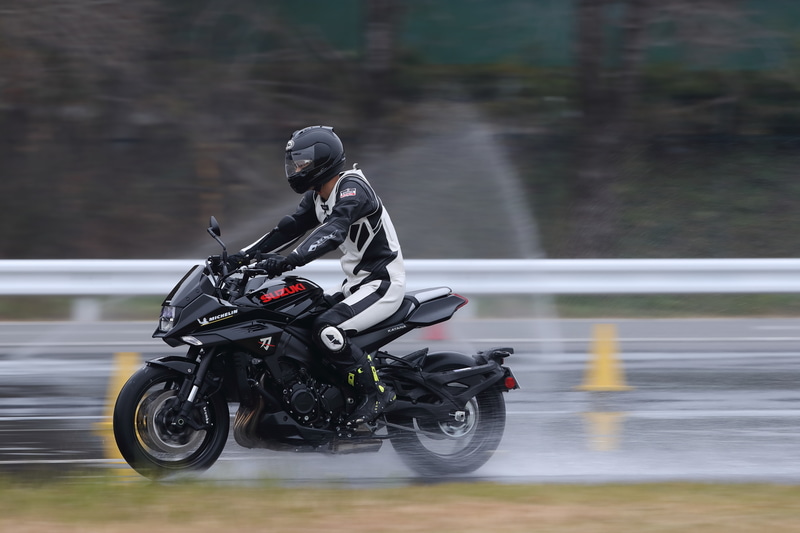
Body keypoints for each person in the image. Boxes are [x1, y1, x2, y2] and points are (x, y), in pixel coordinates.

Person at [229, 125, 404, 428]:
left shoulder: (352, 188)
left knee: (326, 328)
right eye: (294, 162)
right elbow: (288, 229)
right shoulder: (318, 197)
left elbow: (333, 231)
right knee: (299, 324)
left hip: (382, 284)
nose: (296, 168)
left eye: (301, 162)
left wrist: (291, 261)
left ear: (322, 160)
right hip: (355, 286)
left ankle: (377, 393)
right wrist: (239, 258)